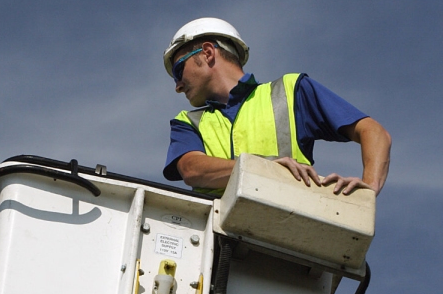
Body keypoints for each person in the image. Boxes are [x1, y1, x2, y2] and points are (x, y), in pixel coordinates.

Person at [162, 18, 391, 196]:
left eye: (178, 71)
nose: (178, 86)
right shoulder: (188, 122)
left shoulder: (290, 92)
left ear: (208, 52)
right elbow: (192, 169)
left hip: (288, 239)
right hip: (220, 249)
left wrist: (368, 189)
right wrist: (265, 167)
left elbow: (373, 132)